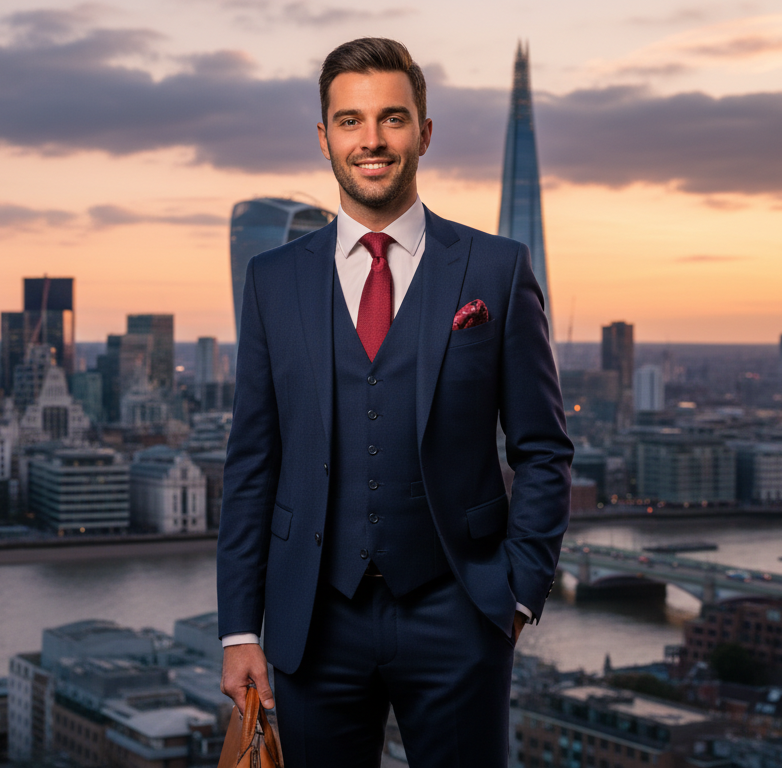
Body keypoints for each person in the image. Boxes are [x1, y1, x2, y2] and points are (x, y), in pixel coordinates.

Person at [216, 37, 573, 766]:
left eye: (392, 119)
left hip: (461, 612)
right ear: (324, 138)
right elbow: (253, 463)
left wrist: (515, 593)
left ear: (425, 132)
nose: (371, 140)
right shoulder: (272, 280)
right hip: (312, 620)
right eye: (350, 121)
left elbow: (543, 448)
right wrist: (238, 630)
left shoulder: (497, 271)